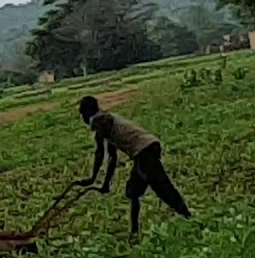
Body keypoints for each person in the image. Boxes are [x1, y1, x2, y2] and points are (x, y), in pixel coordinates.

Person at [76, 95, 191, 238]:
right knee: (133, 191)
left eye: (82, 113)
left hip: (144, 151)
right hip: (145, 149)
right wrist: (106, 184)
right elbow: (112, 158)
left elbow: (100, 153)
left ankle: (188, 217)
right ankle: (134, 232)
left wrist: (93, 178)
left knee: (162, 187)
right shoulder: (106, 120)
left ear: (87, 112)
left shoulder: (100, 121)